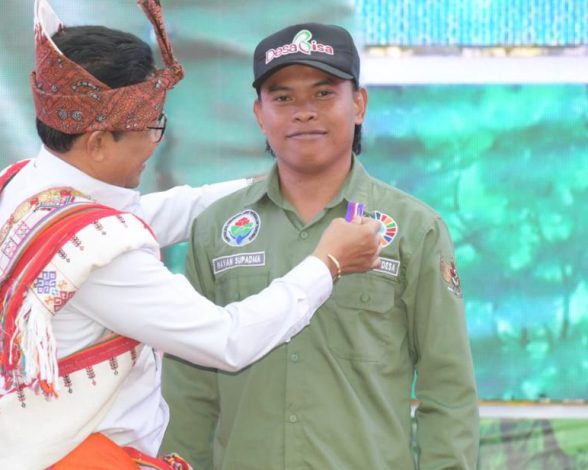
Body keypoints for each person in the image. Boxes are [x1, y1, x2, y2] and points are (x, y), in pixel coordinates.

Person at [0, 4, 383, 469]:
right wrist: (327, 263)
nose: (154, 142)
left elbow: (135, 218)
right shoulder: (106, 262)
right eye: (150, 128)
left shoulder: (23, 188)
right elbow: (228, 340)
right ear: (99, 141)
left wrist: (274, 184)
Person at [161, 23, 480, 469]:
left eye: (324, 94)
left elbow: (447, 389)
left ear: (359, 105)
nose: (303, 112)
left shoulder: (414, 228)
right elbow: (188, 390)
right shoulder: (217, 228)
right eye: (283, 97)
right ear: (259, 113)